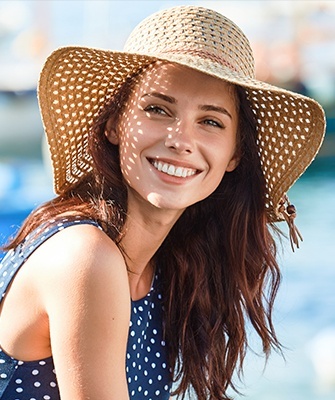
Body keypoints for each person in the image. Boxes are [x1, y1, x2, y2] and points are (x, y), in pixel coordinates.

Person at [0, 5, 325, 400]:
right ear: (114, 124)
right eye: (157, 109)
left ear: (235, 155)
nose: (180, 139)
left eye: (211, 121)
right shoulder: (85, 257)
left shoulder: (167, 270)